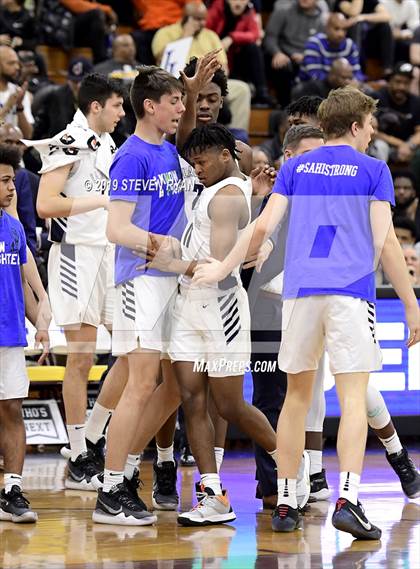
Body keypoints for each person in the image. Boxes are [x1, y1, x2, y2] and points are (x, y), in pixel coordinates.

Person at [193, 85, 420, 539]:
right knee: (353, 398)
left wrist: (222, 265)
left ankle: (285, 501)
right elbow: (387, 242)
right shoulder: (374, 169)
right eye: (370, 127)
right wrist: (411, 304)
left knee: (295, 399)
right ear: (355, 127)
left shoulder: (295, 167)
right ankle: (349, 500)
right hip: (349, 293)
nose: (372, 135)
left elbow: (261, 227)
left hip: (299, 295)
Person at [141, 123, 277, 526]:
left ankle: (292, 466)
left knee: (229, 405)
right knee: (191, 399)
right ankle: (214, 495)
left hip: (222, 308)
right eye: (192, 163)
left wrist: (171, 262)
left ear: (223, 155)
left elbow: (217, 266)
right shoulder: (220, 188)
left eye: (201, 162)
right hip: (188, 304)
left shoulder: (229, 197)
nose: (196, 169)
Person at [92, 65, 186, 525]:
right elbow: (116, 228)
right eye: (174, 101)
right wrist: (157, 244)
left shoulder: (167, 151)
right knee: (141, 381)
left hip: (170, 280)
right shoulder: (131, 156)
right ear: (150, 106)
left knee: (172, 387)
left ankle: (125, 470)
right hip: (140, 278)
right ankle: (110, 489)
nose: (182, 108)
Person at [36, 74, 126, 490]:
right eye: (117, 106)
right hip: (74, 256)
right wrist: (101, 200)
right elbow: (44, 204)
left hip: (107, 254)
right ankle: (79, 457)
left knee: (132, 348)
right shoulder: (65, 143)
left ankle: (89, 436)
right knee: (81, 358)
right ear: (95, 107)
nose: (122, 113)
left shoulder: (107, 143)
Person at [0, 143, 49, 523]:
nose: (10, 188)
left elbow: (27, 286)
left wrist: (42, 323)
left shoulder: (14, 228)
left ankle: (11, 490)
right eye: (3, 182)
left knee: (13, 410)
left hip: (10, 338)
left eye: (11, 181)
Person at [152, 2, 252, 135]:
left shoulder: (211, 35)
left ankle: (236, 136)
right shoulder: (165, 33)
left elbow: (224, 67)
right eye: (198, 19)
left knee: (242, 90)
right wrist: (186, 35)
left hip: (210, 82)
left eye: (204, 19)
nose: (202, 23)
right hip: (179, 84)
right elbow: (163, 61)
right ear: (185, 18)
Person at [206, 0, 273, 107]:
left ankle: (262, 92)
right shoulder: (217, 7)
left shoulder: (249, 10)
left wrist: (232, 38)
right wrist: (218, 45)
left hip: (234, 59)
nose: (238, 3)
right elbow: (205, 32)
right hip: (214, 56)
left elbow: (254, 34)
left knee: (253, 48)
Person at [264, 0, 325, 107]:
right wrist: (277, 52)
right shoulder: (282, 11)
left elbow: (323, 48)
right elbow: (270, 37)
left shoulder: (323, 20)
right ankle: (285, 108)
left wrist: (307, 57)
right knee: (280, 65)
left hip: (308, 62)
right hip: (285, 57)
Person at [32, 57, 94, 140]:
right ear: (68, 80)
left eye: (83, 81)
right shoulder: (55, 97)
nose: (79, 86)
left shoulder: (100, 98)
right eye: (75, 82)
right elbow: (40, 128)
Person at [373, 62, 420, 163]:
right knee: (380, 147)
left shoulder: (416, 102)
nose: (401, 87)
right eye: (398, 82)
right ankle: (380, 178)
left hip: (407, 148)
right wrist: (400, 144)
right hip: (383, 143)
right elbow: (371, 131)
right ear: (390, 81)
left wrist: (410, 145)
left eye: (406, 83)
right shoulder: (377, 98)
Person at [300, 12, 363, 82]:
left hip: (342, 86)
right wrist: (339, 81)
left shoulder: (350, 45)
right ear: (327, 28)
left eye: (344, 29)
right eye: (336, 29)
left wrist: (355, 82)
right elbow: (314, 75)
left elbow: (357, 73)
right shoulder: (314, 43)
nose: (341, 34)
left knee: (368, 91)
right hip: (311, 87)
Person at [0, 45, 33, 139]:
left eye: (17, 63)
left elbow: (28, 135)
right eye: (11, 63)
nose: (17, 67)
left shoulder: (20, 93)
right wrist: (6, 108)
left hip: (16, 150)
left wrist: (19, 106)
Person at [392, 171, 420, 240]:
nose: (401, 191)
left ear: (414, 192)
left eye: (406, 188)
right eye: (396, 187)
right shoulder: (384, 210)